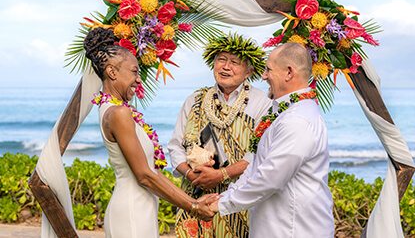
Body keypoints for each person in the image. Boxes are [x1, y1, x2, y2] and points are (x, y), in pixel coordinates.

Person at [84, 27, 217, 238]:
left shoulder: (117, 109)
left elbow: (151, 172)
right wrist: (193, 209)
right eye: (134, 71)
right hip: (131, 214)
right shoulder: (118, 113)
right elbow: (144, 176)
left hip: (140, 211)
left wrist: (193, 201)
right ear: (112, 72)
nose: (139, 80)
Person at [210, 42, 335, 237]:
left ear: (289, 73)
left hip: (294, 230)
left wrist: (220, 205)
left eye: (268, 70)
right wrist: (222, 197)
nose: (264, 76)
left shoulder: (297, 120)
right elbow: (255, 166)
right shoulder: (282, 112)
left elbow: (270, 179)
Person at [167, 32, 272, 238]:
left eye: (234, 62)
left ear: (249, 71)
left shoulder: (262, 103)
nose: (226, 66)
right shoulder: (195, 99)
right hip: (194, 199)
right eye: (221, 60)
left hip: (238, 199)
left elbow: (260, 155)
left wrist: (221, 175)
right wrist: (191, 175)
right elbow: (175, 147)